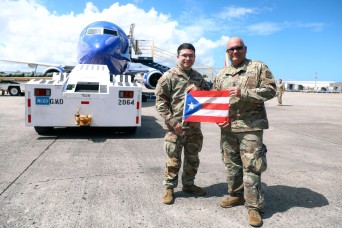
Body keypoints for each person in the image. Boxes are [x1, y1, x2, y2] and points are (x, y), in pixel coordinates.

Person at [213, 37, 276, 227]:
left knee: (252, 166)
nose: (234, 52)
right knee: (231, 164)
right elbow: (215, 98)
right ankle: (236, 195)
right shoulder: (222, 73)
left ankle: (254, 207)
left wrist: (244, 93)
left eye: (238, 48)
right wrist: (218, 118)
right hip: (228, 127)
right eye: (230, 49)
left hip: (251, 126)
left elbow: (271, 90)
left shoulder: (258, 67)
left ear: (245, 49)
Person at [155, 43, 210, 205]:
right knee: (173, 160)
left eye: (191, 55)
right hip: (175, 129)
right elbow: (160, 103)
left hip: (194, 128)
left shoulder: (199, 78)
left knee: (193, 159)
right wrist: (173, 122)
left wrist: (200, 91)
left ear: (194, 58)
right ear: (178, 57)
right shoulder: (168, 77)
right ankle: (169, 188)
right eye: (184, 55)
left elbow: (209, 99)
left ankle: (189, 184)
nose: (188, 58)